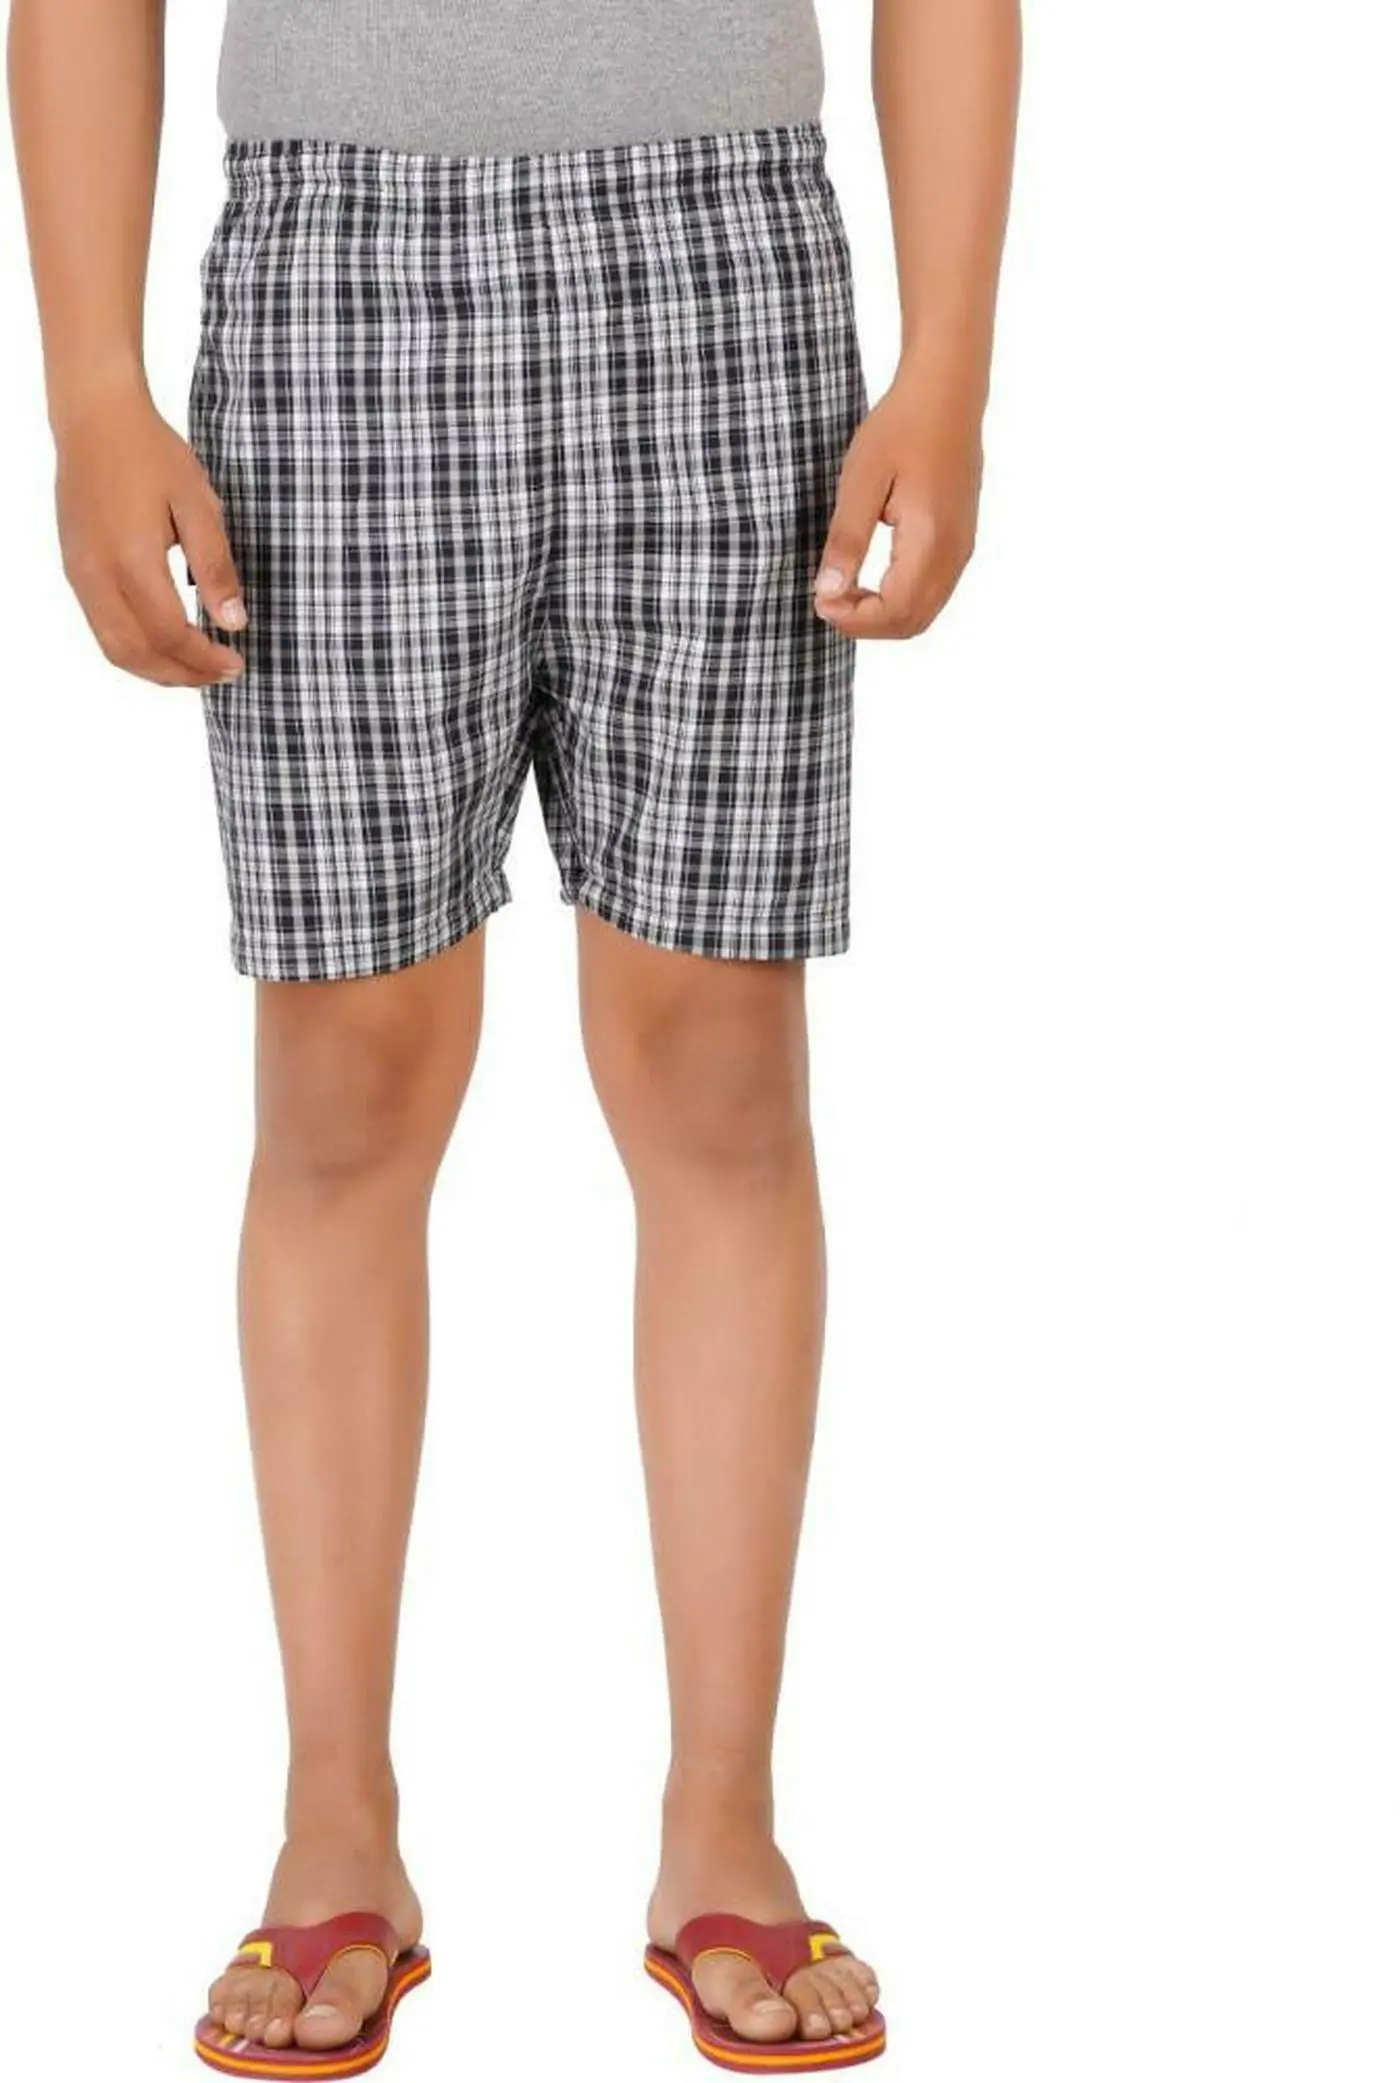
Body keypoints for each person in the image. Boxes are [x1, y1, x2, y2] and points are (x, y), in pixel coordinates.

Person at [10, 0, 1019, 2072]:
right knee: (343, 1081)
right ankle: (335, 1818)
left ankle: (723, 1812)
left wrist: (950, 360)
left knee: (719, 1070)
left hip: (722, 266)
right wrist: (93, 381)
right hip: (338, 273)